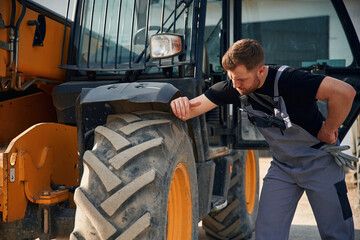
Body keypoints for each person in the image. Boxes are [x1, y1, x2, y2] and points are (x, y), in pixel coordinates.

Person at [170, 39, 357, 239]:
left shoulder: (290, 80)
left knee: (337, 233)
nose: (235, 85)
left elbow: (345, 92)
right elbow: (190, 109)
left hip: (321, 163)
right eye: (231, 78)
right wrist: (180, 102)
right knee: (267, 233)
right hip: (283, 167)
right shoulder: (234, 87)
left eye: (240, 79)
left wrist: (329, 129)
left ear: (260, 70)